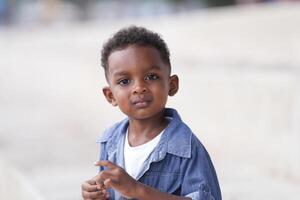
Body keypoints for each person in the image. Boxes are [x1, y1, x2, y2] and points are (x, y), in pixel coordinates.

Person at [81, 26, 221, 200]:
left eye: (151, 77)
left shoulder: (188, 149)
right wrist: (96, 194)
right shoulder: (110, 141)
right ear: (111, 96)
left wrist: (137, 190)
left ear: (172, 85)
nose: (139, 88)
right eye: (125, 81)